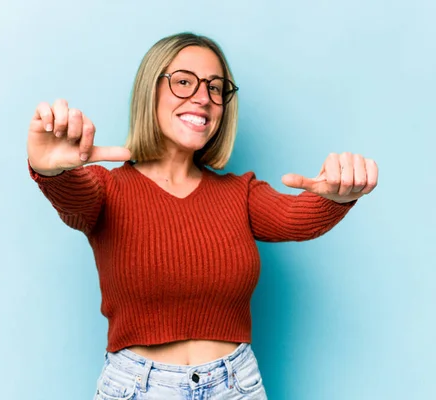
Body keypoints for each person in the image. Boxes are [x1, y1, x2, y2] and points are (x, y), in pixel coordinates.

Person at [26, 32, 378, 399]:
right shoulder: (107, 190)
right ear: (151, 90)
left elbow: (295, 216)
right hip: (138, 388)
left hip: (235, 385)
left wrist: (339, 194)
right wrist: (50, 168)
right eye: (183, 82)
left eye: (216, 88)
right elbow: (71, 193)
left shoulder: (239, 193)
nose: (202, 97)